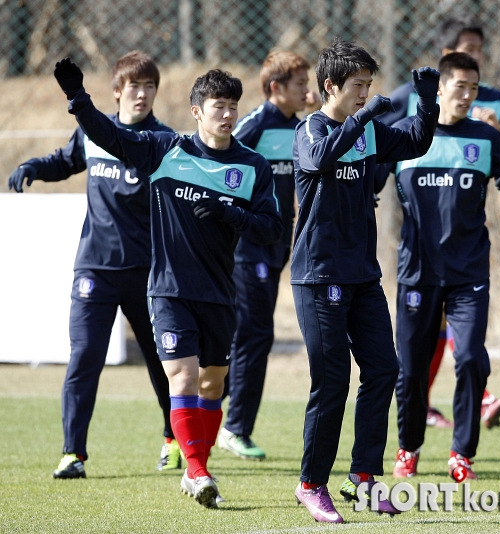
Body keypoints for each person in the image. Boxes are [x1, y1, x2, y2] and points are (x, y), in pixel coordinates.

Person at [53, 58, 283, 507]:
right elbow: (111, 136)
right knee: (184, 377)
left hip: (219, 292)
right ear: (197, 111)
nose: (228, 114)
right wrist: (79, 101)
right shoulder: (166, 150)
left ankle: (199, 461)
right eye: (218, 106)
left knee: (214, 386)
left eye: (233, 106)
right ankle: (196, 470)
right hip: (168, 289)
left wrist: (229, 212)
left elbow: (272, 228)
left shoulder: (251, 166)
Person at [8, 51, 181, 478]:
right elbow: (65, 162)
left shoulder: (164, 141)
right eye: (134, 86)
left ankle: (173, 438)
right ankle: (73, 454)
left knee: (164, 361)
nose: (142, 94)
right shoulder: (91, 131)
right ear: (117, 92)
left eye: (149, 87)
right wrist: (33, 166)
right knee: (85, 356)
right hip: (96, 269)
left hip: (148, 272)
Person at [291, 37, 440, 523]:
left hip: (362, 276)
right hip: (319, 277)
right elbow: (320, 160)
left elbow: (416, 140)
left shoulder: (370, 134)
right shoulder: (308, 129)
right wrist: (362, 118)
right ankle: (311, 484)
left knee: (383, 371)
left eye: (369, 87)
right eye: (358, 86)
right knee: (331, 381)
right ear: (330, 85)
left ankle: (364, 478)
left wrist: (427, 101)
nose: (365, 94)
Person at [374, 52, 500, 480]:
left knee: (469, 359)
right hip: (417, 272)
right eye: (459, 86)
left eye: (473, 88)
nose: (466, 95)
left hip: (469, 274)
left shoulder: (484, 138)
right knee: (409, 370)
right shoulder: (408, 136)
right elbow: (369, 177)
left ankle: (461, 453)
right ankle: (408, 448)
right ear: (440, 89)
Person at [218, 50, 319, 461]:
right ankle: (233, 427)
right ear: (276, 88)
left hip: (278, 243)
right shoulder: (255, 125)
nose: (307, 92)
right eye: (300, 85)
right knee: (255, 335)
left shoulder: (300, 128)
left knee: (243, 335)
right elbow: (220, 160)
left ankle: (210, 414)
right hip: (248, 247)